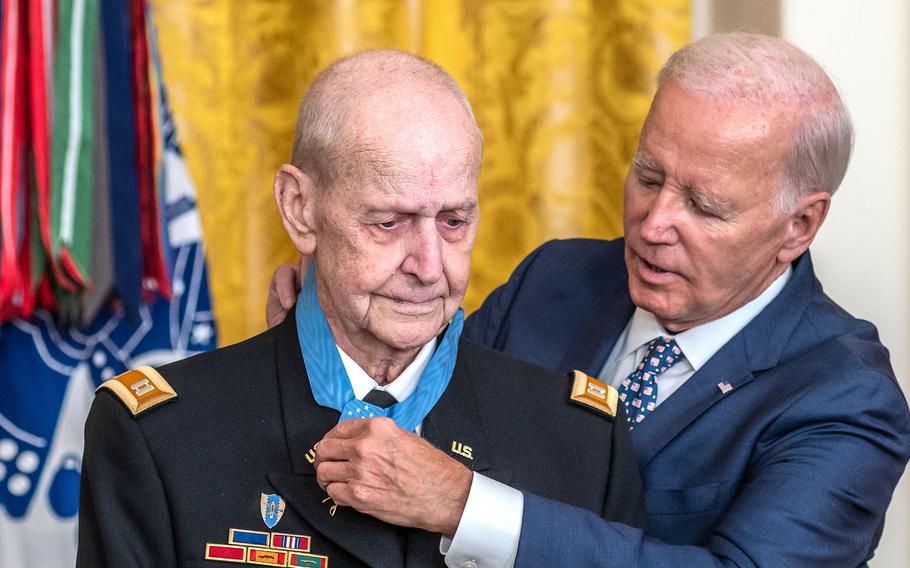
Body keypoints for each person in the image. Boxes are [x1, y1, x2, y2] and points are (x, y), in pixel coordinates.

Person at [268, 33, 910, 566]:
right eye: (648, 176)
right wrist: (335, 346)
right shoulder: (557, 278)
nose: (653, 223)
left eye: (704, 207)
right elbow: (421, 416)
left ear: (799, 225)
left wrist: (469, 507)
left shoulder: (846, 396)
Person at [76, 50, 645, 567]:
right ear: (300, 209)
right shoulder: (160, 437)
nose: (429, 266)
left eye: (453, 222)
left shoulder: (581, 440)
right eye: (388, 222)